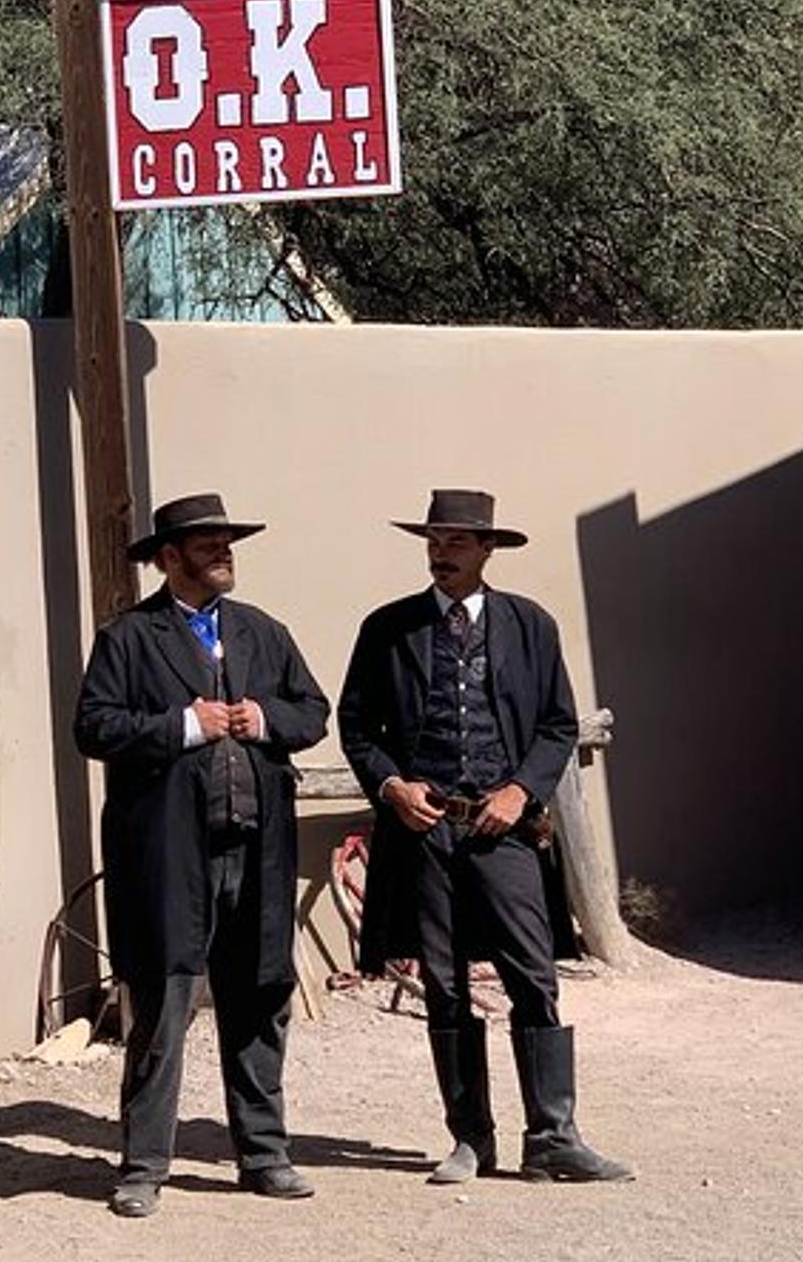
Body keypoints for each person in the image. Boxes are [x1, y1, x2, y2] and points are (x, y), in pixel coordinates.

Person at [337, 490, 631, 1186]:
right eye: (435, 539)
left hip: (503, 829)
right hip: (425, 829)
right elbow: (356, 726)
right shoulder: (389, 628)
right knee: (444, 980)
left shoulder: (529, 625)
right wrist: (392, 787)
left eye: (458, 541)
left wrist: (519, 790)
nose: (443, 552)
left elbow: (557, 724)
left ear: (487, 549)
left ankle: (554, 1135)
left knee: (533, 974)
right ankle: (471, 1138)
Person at [73, 493, 332, 1218]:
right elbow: (93, 726)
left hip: (256, 850)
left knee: (257, 1000)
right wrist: (183, 725)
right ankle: (144, 1164)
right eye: (206, 542)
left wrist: (265, 718)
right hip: (169, 854)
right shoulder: (127, 638)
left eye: (226, 540)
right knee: (160, 1004)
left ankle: (263, 1152)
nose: (223, 551)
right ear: (168, 558)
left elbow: (312, 709)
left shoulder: (262, 631)